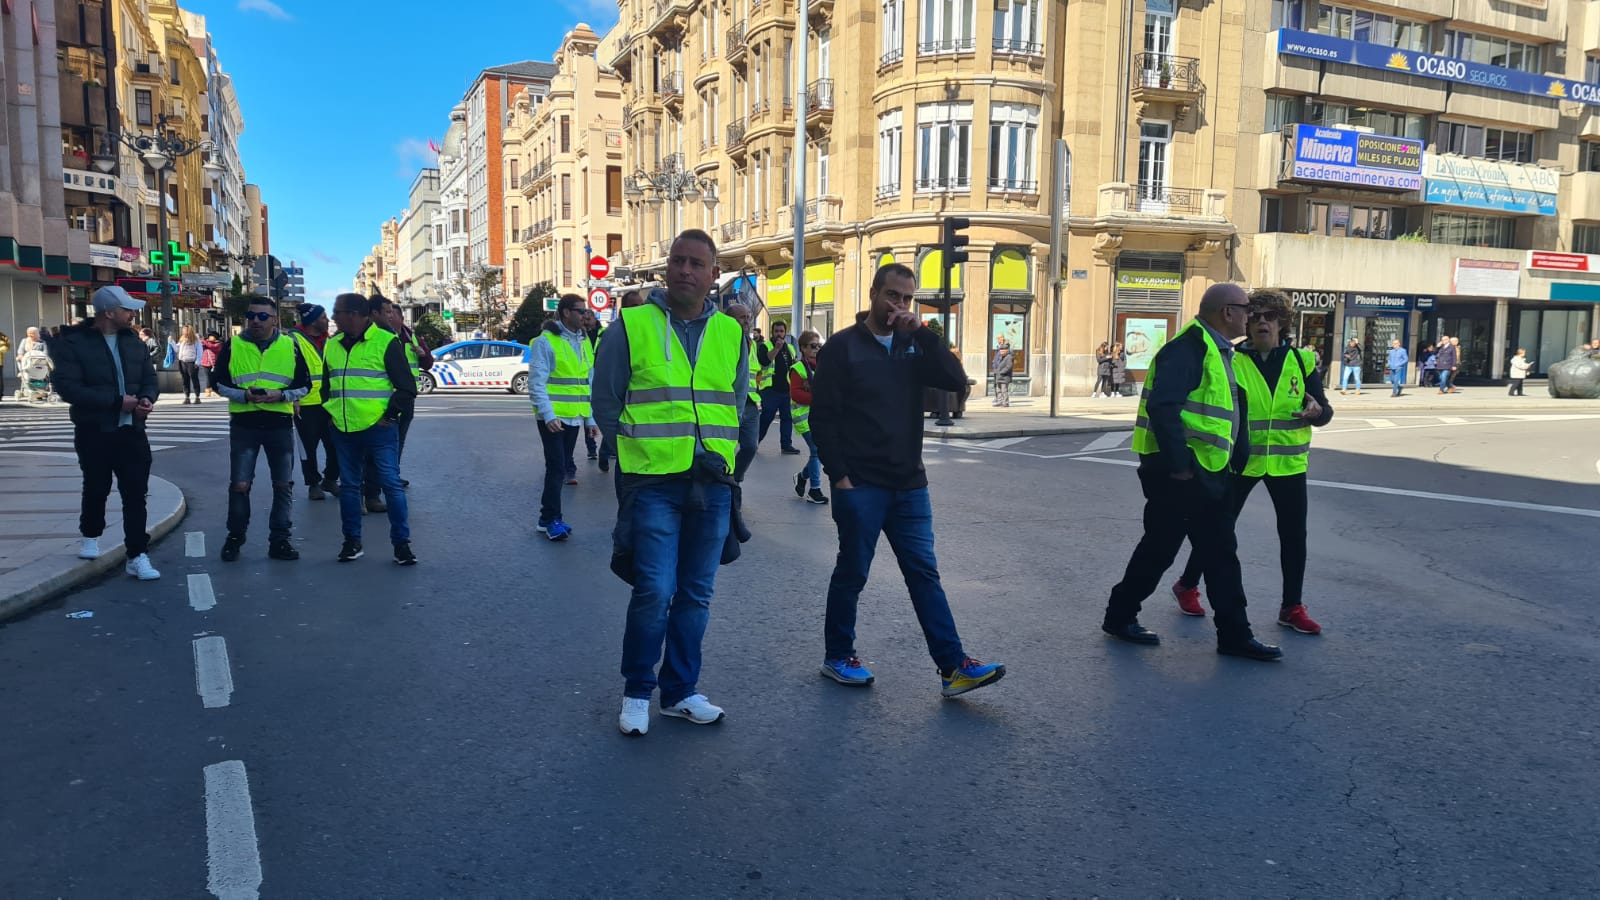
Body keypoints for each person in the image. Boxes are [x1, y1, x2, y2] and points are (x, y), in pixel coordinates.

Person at [810, 263, 1007, 695]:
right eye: (892, 296)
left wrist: (922, 333)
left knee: (924, 574)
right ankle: (838, 655)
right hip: (861, 485)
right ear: (873, 293)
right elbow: (823, 419)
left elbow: (956, 382)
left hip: (909, 485)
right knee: (853, 572)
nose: (899, 305)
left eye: (906, 298)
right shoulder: (842, 348)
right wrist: (839, 476)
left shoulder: (912, 344)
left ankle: (952, 667)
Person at [592, 230, 748, 736]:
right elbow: (607, 400)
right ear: (666, 269)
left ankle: (680, 692)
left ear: (712, 274)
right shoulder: (631, 326)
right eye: (677, 260)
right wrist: (627, 458)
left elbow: (738, 403)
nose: (684, 270)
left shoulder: (730, 333)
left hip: (712, 482)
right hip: (653, 480)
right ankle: (638, 691)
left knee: (696, 594)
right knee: (655, 590)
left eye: (696, 263)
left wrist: (725, 460)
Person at [1101, 282, 1281, 661]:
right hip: (1182, 473)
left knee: (1188, 549)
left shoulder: (1217, 350)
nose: (1251, 316)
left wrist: (1236, 456)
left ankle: (1124, 616)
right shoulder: (1189, 348)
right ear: (1226, 312)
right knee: (1189, 550)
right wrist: (1181, 467)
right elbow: (1164, 408)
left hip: (1205, 471)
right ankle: (1229, 633)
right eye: (1246, 309)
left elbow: (1228, 409)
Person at [1169, 290, 1333, 637]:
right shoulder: (1231, 358)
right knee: (1217, 531)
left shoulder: (1301, 361)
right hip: (1240, 462)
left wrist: (1317, 412)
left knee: (1293, 537)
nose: (1261, 321)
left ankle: (1292, 606)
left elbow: (1324, 411)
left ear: (1282, 321)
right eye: (1255, 315)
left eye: (1270, 315)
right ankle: (1187, 584)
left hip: (1288, 465)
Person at [51, 286, 161, 581]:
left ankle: (137, 555)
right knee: (97, 485)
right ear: (109, 313)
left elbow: (150, 378)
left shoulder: (135, 343)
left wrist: (148, 399)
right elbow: (68, 388)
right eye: (127, 309)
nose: (132, 313)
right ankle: (90, 534)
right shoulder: (73, 343)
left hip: (132, 430)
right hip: (94, 430)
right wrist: (115, 402)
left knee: (136, 494)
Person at [211, 296, 313, 562]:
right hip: (245, 424)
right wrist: (244, 395)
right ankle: (235, 537)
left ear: (275, 320)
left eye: (263, 316)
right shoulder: (234, 345)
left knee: (283, 485)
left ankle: (279, 540)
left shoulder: (289, 346)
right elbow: (217, 382)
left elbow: (305, 386)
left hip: (279, 424)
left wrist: (278, 396)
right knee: (240, 485)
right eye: (252, 315)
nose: (256, 320)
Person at [324, 293, 418, 565]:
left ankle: (402, 545)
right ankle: (352, 542)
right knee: (350, 487)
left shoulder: (386, 341)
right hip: (344, 429)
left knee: (390, 484)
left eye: (337, 312)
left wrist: (388, 416)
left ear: (354, 315)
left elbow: (407, 388)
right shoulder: (333, 345)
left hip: (379, 429)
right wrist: (330, 412)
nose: (333, 317)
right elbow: (329, 384)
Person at [529, 293, 599, 542]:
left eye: (586, 311)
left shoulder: (583, 341)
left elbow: (587, 383)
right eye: (581, 311)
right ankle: (551, 519)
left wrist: (590, 419)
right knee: (557, 468)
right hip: (553, 418)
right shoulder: (544, 342)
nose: (585, 315)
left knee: (559, 466)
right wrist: (548, 415)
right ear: (566, 312)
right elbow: (536, 383)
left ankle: (546, 519)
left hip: (574, 417)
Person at [363, 294, 432, 503]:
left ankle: (389, 479)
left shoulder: (410, 336)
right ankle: (373, 489)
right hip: (382, 400)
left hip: (405, 398)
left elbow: (428, 363)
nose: (390, 316)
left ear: (401, 318)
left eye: (393, 313)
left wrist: (422, 354)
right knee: (377, 447)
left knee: (397, 443)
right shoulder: (375, 337)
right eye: (387, 312)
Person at [290, 304, 340, 500]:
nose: (327, 321)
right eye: (323, 317)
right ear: (312, 321)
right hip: (305, 403)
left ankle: (330, 479)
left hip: (329, 402)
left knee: (336, 445)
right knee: (308, 449)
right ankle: (313, 484)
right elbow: (288, 371)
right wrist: (293, 397)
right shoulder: (292, 340)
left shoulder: (329, 340)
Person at [790, 329, 828, 504]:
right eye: (813, 346)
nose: (817, 349)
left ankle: (802, 476)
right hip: (804, 418)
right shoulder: (798, 368)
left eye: (819, 346)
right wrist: (818, 396)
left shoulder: (822, 366)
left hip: (820, 416)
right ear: (803, 348)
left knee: (818, 452)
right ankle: (815, 490)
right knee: (816, 451)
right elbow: (796, 395)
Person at [757, 320, 801, 455]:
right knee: (766, 417)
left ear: (785, 333)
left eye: (781, 331)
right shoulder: (765, 346)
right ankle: (754, 442)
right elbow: (764, 362)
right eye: (776, 331)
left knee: (787, 417)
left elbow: (792, 365)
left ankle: (786, 445)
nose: (779, 334)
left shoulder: (790, 348)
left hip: (786, 389)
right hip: (770, 389)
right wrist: (776, 348)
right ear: (772, 332)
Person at [171, 326, 200, 404]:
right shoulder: (182, 339)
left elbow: (200, 351)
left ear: (189, 331)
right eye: (183, 330)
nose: (183, 331)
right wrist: (172, 342)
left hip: (192, 361)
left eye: (184, 330)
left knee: (194, 379)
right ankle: (187, 397)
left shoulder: (195, 339)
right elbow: (177, 349)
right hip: (182, 361)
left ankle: (197, 396)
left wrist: (197, 362)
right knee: (185, 379)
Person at [990, 336, 1014, 407]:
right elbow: (997, 363)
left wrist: (1002, 372)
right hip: (999, 376)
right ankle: (999, 401)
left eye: (1003, 350)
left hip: (1004, 377)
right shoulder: (1001, 356)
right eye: (1000, 350)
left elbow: (1009, 366)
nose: (1001, 351)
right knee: (998, 390)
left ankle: (1005, 402)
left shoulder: (1009, 357)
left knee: (1004, 390)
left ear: (1007, 350)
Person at [200, 331, 223, 398]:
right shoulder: (205, 344)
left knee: (213, 378)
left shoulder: (218, 344)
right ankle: (208, 390)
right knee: (208, 377)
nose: (210, 337)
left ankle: (215, 390)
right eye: (209, 336)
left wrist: (204, 341)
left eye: (211, 336)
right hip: (205, 363)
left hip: (214, 363)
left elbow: (212, 347)